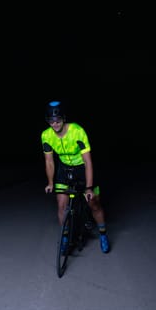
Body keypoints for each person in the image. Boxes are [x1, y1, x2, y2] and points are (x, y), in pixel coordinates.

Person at [41, 100, 110, 253]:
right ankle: (65, 238)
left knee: (94, 203)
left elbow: (88, 161)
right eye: (51, 120)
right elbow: (49, 161)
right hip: (64, 169)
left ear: (63, 118)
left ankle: (103, 233)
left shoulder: (77, 131)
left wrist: (89, 188)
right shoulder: (46, 136)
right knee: (61, 205)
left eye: (58, 119)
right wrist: (50, 182)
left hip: (82, 168)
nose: (55, 123)